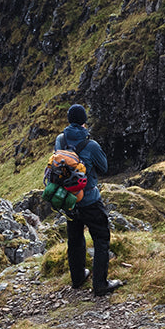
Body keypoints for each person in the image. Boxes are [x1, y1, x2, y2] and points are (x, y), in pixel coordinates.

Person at [57, 104, 122, 297]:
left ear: (69, 120)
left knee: (75, 239)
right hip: (90, 200)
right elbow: (104, 167)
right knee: (101, 239)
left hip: (69, 200)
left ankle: (78, 278)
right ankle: (100, 284)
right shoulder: (91, 145)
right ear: (84, 121)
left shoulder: (60, 140)